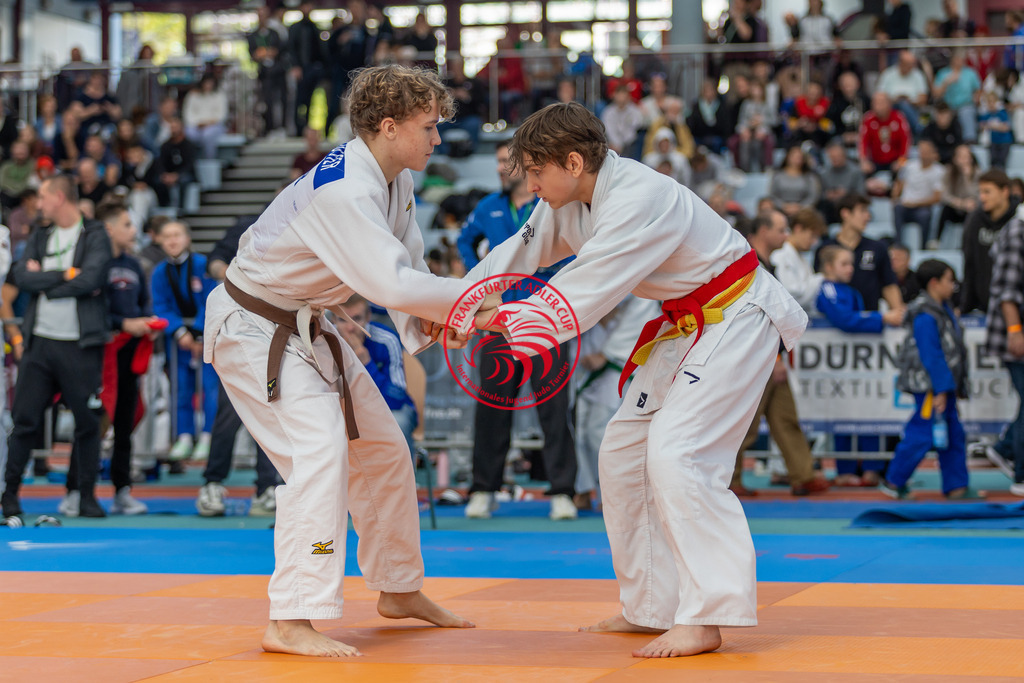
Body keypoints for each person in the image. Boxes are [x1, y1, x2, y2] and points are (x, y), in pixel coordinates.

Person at [464, 101, 808, 657]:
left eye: (535, 170)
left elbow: (588, 289)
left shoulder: (639, 198)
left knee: (680, 455)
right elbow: (514, 255)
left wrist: (496, 320)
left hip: (737, 316)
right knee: (623, 453)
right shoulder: (567, 202)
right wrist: (453, 308)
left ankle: (708, 612)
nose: (528, 184)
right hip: (687, 323)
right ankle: (651, 607)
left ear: (573, 162)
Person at [203, 64, 475, 657]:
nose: (437, 138)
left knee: (382, 448)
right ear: (388, 125)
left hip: (306, 324)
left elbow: (406, 270)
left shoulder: (391, 177)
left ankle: (398, 587)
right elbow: (390, 281)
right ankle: (291, 616)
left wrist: (433, 320)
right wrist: (473, 301)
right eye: (428, 127)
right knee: (319, 450)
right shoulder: (347, 189)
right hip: (253, 326)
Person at [457, 141, 579, 521]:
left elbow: (576, 249)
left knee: (554, 408)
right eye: (495, 161)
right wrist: (479, 278)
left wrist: (554, 279)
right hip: (497, 321)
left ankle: (562, 492)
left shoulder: (551, 206)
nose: (499, 168)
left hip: (545, 319)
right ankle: (483, 489)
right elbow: (465, 240)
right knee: (492, 407)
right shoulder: (487, 207)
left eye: (504, 161)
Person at [1, 175, 112, 524]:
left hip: (80, 344)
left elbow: (93, 278)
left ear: (59, 198)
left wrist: (49, 281)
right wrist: (65, 276)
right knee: (24, 421)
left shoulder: (93, 234)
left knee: (87, 422)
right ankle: (9, 496)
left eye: (44, 197)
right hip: (40, 343)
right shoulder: (40, 234)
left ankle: (86, 496)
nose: (38, 203)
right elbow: (22, 277)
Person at [60, 203, 155, 517]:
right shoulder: (95, 265)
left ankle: (122, 490)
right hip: (99, 353)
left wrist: (147, 325)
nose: (133, 230)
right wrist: (121, 324)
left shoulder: (134, 265)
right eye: (127, 224)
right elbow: (93, 309)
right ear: (110, 228)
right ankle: (75, 489)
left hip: (128, 353)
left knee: (124, 425)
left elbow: (142, 304)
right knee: (91, 423)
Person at [732, 211, 829, 497]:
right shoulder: (748, 265)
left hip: (772, 355)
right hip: (755, 359)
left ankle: (803, 474)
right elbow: (757, 316)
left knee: (785, 417)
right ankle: (730, 479)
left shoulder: (767, 266)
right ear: (762, 231)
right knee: (743, 424)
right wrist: (774, 359)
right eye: (780, 230)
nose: (786, 236)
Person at [196, 214, 281, 518]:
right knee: (228, 414)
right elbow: (215, 259)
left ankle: (267, 487)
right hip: (238, 332)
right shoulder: (253, 223)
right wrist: (237, 278)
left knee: (272, 414)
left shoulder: (305, 231)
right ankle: (213, 483)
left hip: (277, 336)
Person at [883, 259, 975, 499]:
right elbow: (931, 355)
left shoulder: (942, 309)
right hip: (931, 388)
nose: (953, 285)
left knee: (954, 433)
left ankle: (957, 486)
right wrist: (941, 390)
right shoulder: (925, 314)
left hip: (946, 384)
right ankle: (894, 481)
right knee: (923, 433)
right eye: (949, 280)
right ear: (934, 283)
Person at [151, 221, 219, 462]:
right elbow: (160, 306)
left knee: (210, 389)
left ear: (187, 238)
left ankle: (209, 436)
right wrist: (179, 332)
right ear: (159, 240)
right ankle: (184, 437)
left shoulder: (203, 265)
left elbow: (212, 299)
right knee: (180, 389)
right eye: (167, 236)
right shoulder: (159, 272)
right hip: (179, 343)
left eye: (177, 235)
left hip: (206, 340)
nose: (172, 240)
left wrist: (200, 332)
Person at [983, 200, 1024, 495]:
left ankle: (1004, 447)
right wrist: (1015, 331)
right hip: (1017, 333)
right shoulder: (1017, 232)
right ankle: (1021, 473)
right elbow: (1006, 291)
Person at [962, 170, 1019, 315]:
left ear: (1005, 191)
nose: (982, 197)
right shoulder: (974, 220)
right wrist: (965, 305)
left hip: (1017, 305)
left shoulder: (1019, 220)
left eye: (987, 192)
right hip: (985, 305)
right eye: (980, 192)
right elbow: (969, 263)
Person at [892, 140, 945, 248]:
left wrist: (915, 203)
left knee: (925, 215)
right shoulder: (909, 166)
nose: (923, 154)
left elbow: (937, 198)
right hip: (905, 205)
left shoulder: (939, 171)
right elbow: (899, 182)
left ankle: (923, 247)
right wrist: (894, 197)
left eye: (926, 151)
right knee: (897, 208)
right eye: (921, 151)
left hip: (923, 207)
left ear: (933, 153)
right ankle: (897, 245)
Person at [771, 207, 825, 312]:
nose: (814, 242)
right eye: (812, 236)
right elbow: (791, 295)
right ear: (798, 229)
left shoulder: (802, 258)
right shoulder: (780, 254)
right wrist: (820, 279)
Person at [936, 144, 979, 246]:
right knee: (944, 210)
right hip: (955, 206)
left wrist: (966, 177)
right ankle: (936, 240)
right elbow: (944, 195)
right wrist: (959, 203)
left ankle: (968, 243)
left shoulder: (977, 173)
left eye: (966, 156)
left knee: (974, 212)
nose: (964, 160)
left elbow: (976, 195)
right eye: (961, 156)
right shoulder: (948, 172)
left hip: (970, 207)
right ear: (955, 158)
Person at [183, 74, 228, 160]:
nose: (208, 85)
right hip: (195, 125)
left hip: (214, 125)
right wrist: (198, 123)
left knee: (208, 135)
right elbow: (188, 114)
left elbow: (222, 115)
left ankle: (209, 160)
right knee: (190, 134)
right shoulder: (193, 95)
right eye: (206, 83)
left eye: (210, 83)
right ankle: (191, 161)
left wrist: (209, 123)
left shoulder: (220, 95)